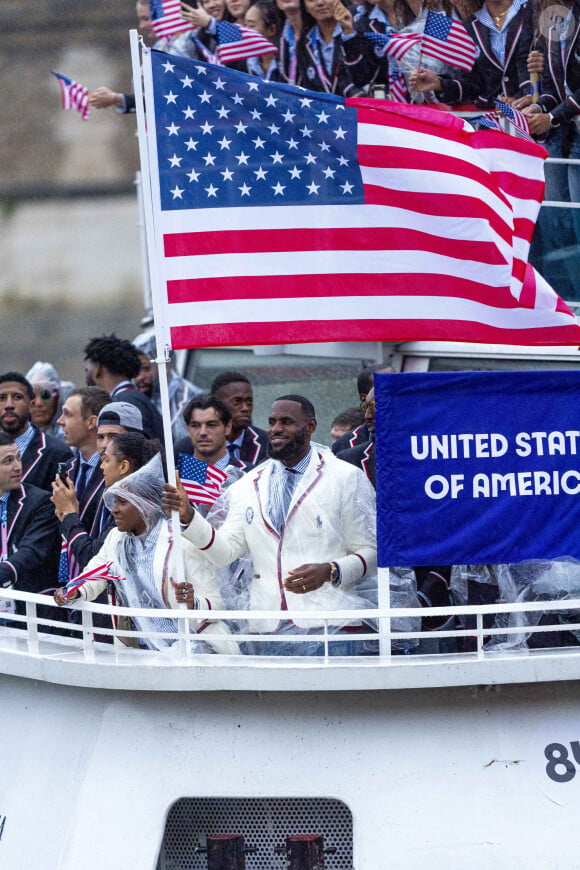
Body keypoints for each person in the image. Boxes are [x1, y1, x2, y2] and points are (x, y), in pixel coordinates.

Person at [163, 395, 377, 654]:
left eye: (286, 422)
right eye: (272, 422)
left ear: (309, 427)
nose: (275, 429)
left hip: (331, 625)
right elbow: (224, 553)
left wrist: (331, 570)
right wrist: (188, 516)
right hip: (266, 629)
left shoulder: (345, 477)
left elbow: (371, 551)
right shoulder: (247, 485)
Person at [54, 455, 235, 654]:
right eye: (114, 502)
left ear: (145, 506)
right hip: (142, 651)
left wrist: (194, 603)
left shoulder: (181, 542)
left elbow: (217, 605)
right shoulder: (116, 538)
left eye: (122, 502)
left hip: (196, 648)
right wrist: (73, 590)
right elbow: (95, 573)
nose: (114, 510)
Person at [0, 432, 61, 621]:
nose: (18, 466)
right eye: (7, 461)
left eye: (18, 458)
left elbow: (32, 552)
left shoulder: (41, 502)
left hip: (32, 613)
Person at [0, 371, 72, 492]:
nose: (9, 405)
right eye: (2, 398)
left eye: (17, 397)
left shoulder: (57, 454)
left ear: (31, 404)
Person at [83, 334, 164, 441]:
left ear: (99, 368)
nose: (87, 372)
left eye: (88, 369)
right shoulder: (132, 398)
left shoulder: (124, 404)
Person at [133, 331, 201, 445]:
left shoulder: (191, 399)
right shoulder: (138, 400)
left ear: (165, 365)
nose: (139, 377)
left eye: (146, 368)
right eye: (135, 369)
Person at [209, 371, 268, 468]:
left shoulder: (268, 445)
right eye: (237, 401)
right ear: (216, 405)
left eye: (249, 401)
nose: (246, 408)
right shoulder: (195, 446)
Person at [25, 361, 75, 444]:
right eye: (32, 396)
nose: (38, 403)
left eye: (45, 395)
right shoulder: (14, 439)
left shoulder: (74, 439)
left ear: (57, 398)